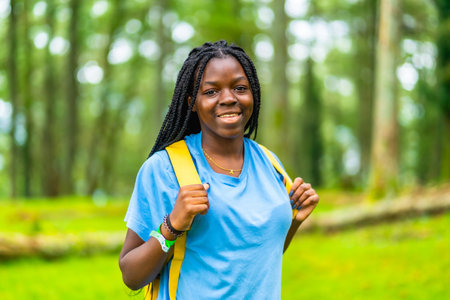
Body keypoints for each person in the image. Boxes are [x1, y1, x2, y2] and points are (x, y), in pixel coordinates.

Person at [119, 40, 319, 299]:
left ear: (253, 94)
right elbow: (131, 276)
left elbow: (256, 257)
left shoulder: (269, 163)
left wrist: (293, 219)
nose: (228, 99)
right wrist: (171, 225)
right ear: (192, 102)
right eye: (211, 91)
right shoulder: (164, 169)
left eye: (239, 88)